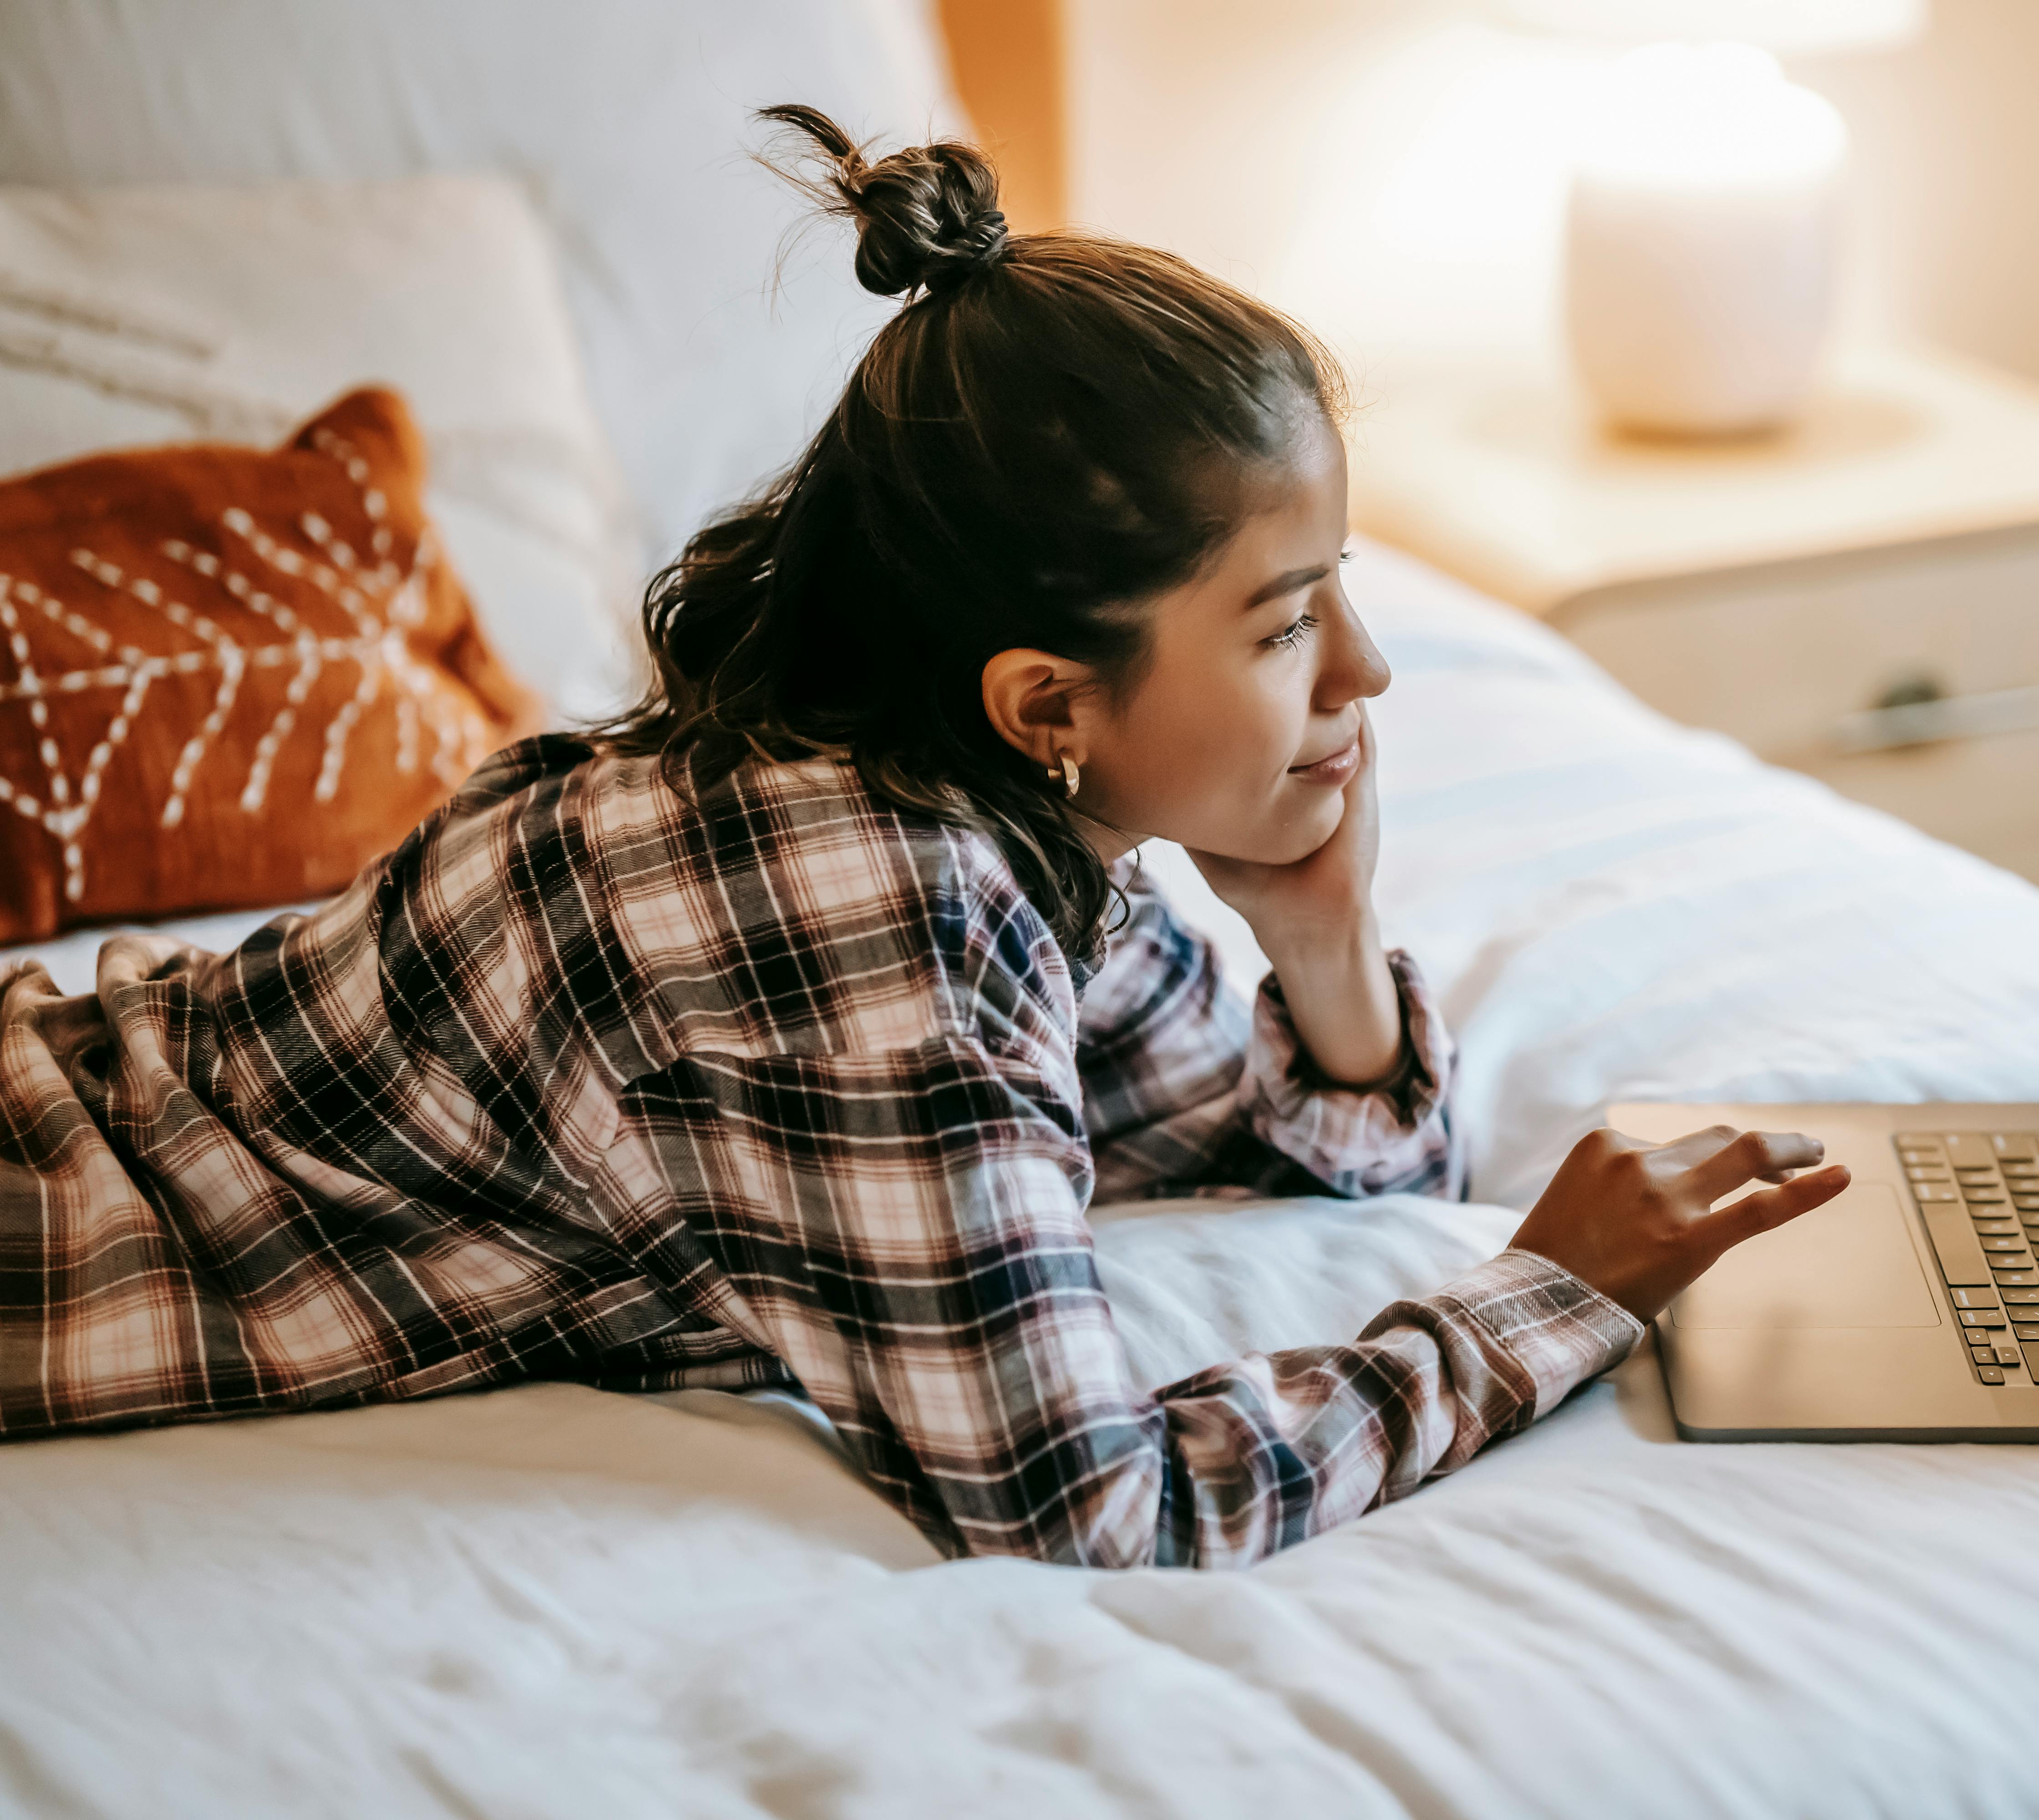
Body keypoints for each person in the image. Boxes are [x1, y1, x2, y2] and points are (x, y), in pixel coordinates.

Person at [0, 107, 1850, 1567]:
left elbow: (1290, 1151)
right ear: (1046, 700)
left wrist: (1321, 934)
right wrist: (1553, 1299)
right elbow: (1097, 1498)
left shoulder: (992, 810)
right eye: (1286, 622)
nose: (1364, 671)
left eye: (1339, 592)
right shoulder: (864, 913)